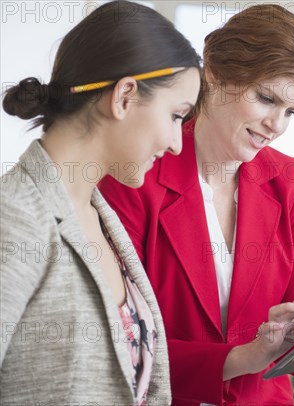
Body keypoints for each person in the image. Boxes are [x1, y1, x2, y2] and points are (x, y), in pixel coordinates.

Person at [98, 4, 294, 405]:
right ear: (216, 74)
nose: (277, 125)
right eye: (265, 98)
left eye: (291, 112)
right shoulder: (135, 176)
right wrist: (239, 358)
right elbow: (122, 343)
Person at [0, 1, 201, 404]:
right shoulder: (16, 216)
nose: (178, 144)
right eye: (177, 116)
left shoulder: (100, 216)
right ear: (125, 95)